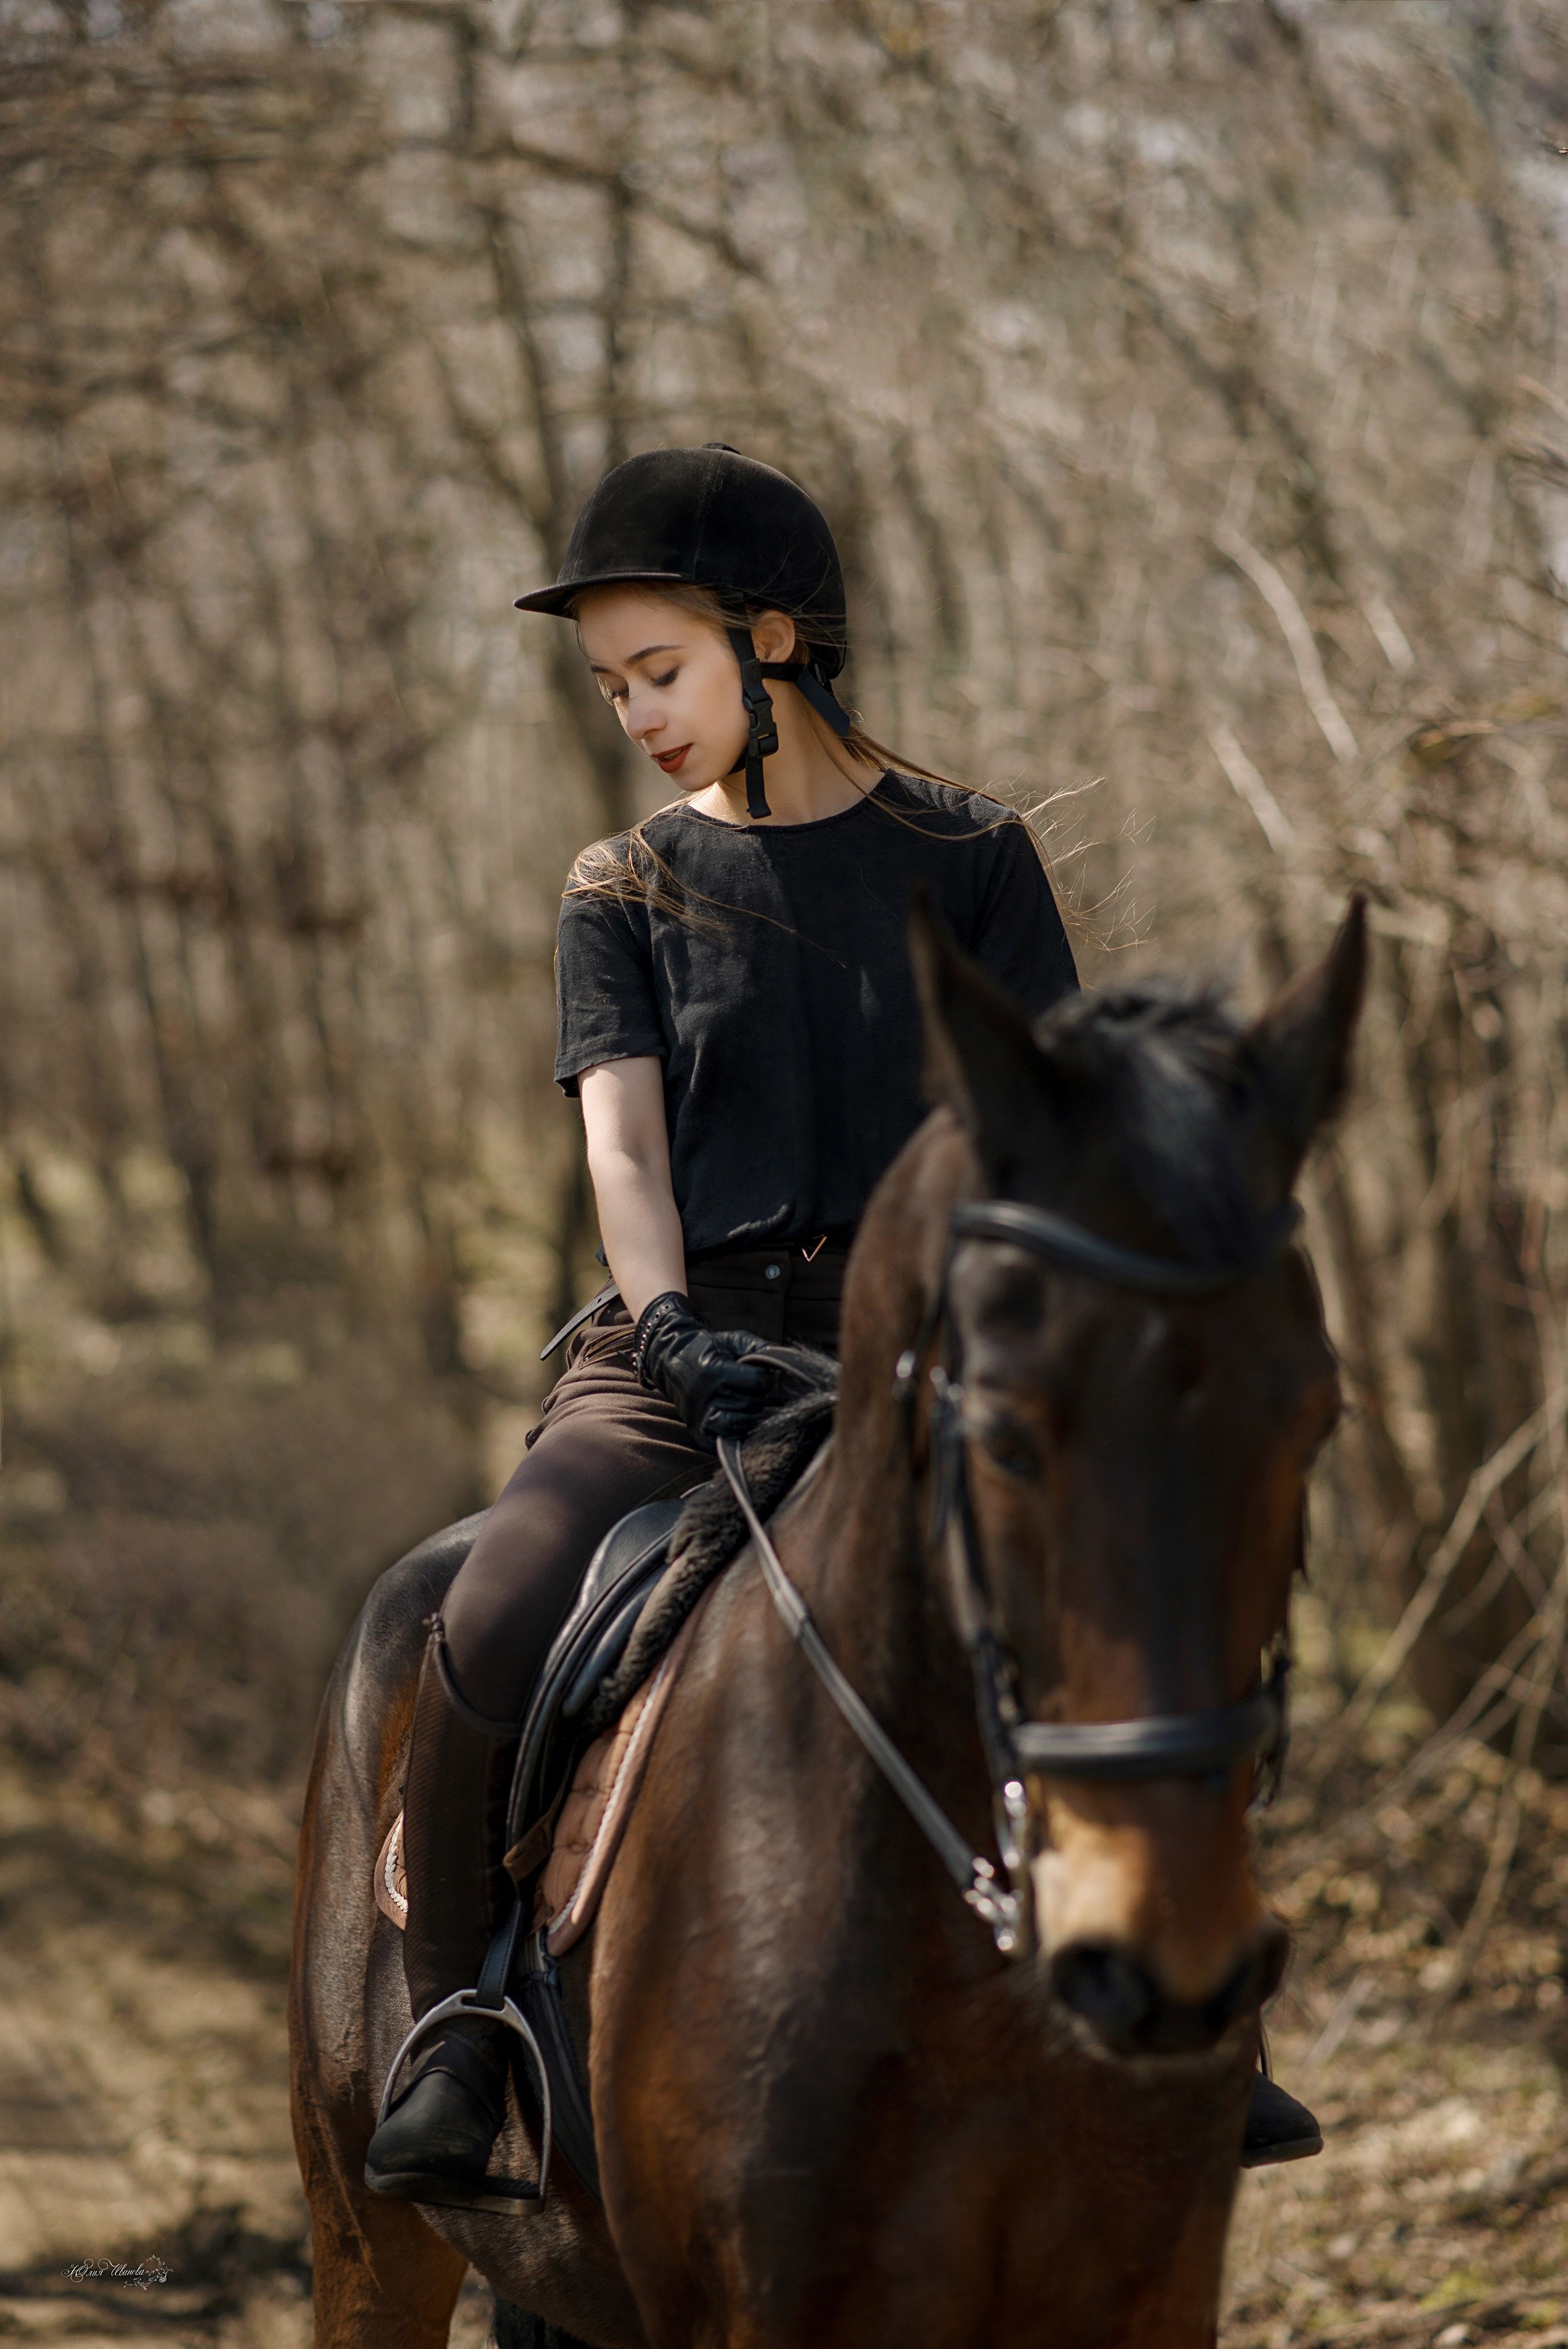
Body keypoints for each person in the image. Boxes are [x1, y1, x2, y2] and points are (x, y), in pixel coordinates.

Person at [364, 444, 1319, 2207]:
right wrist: (659, 1331)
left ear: (774, 637)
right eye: (609, 686)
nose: (633, 712)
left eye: (656, 671)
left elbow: (1054, 1129)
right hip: (681, 1350)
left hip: (925, 1357)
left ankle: (1203, 2012)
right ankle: (460, 2037)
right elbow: (622, 1146)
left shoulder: (969, 858)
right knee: (482, 1606)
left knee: (1127, 1593)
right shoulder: (624, 883)